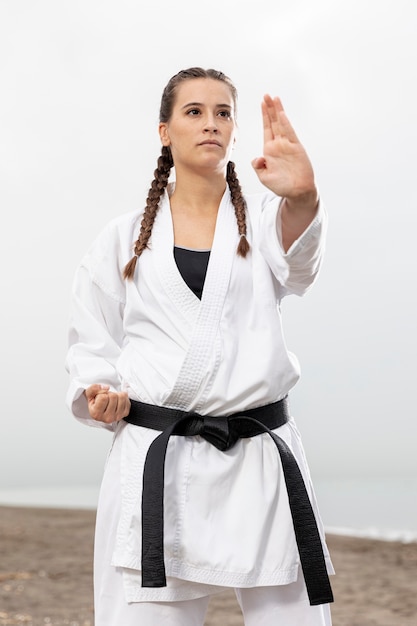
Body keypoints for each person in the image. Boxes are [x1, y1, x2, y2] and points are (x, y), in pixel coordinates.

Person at [66, 67, 334, 626]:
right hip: (158, 460)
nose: (210, 123)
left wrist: (304, 198)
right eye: (194, 112)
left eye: (223, 112)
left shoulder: (262, 221)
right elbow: (90, 339)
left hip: (260, 455)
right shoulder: (122, 237)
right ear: (164, 130)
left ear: (234, 130)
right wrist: (100, 392)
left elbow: (301, 265)